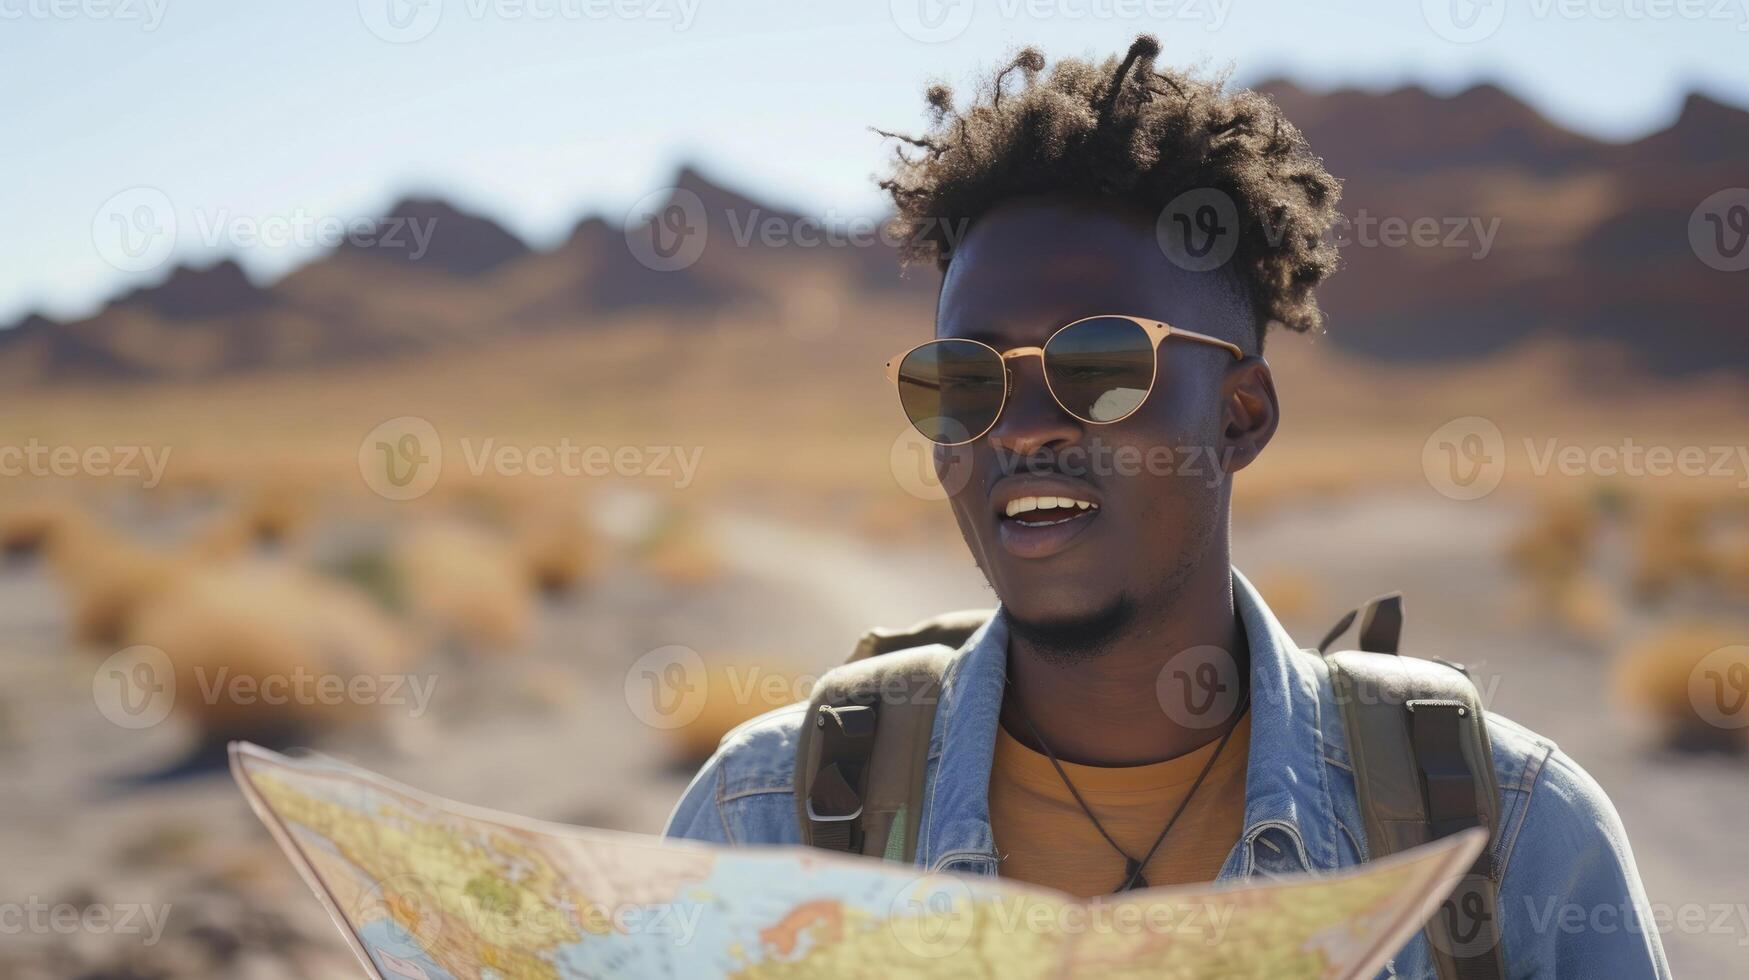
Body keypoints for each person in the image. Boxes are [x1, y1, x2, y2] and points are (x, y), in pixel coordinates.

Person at [666, 36, 1668, 978]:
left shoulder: (1514, 839)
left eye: (1099, 364)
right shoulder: (766, 823)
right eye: (965, 379)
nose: (1018, 428)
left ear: (1239, 414)